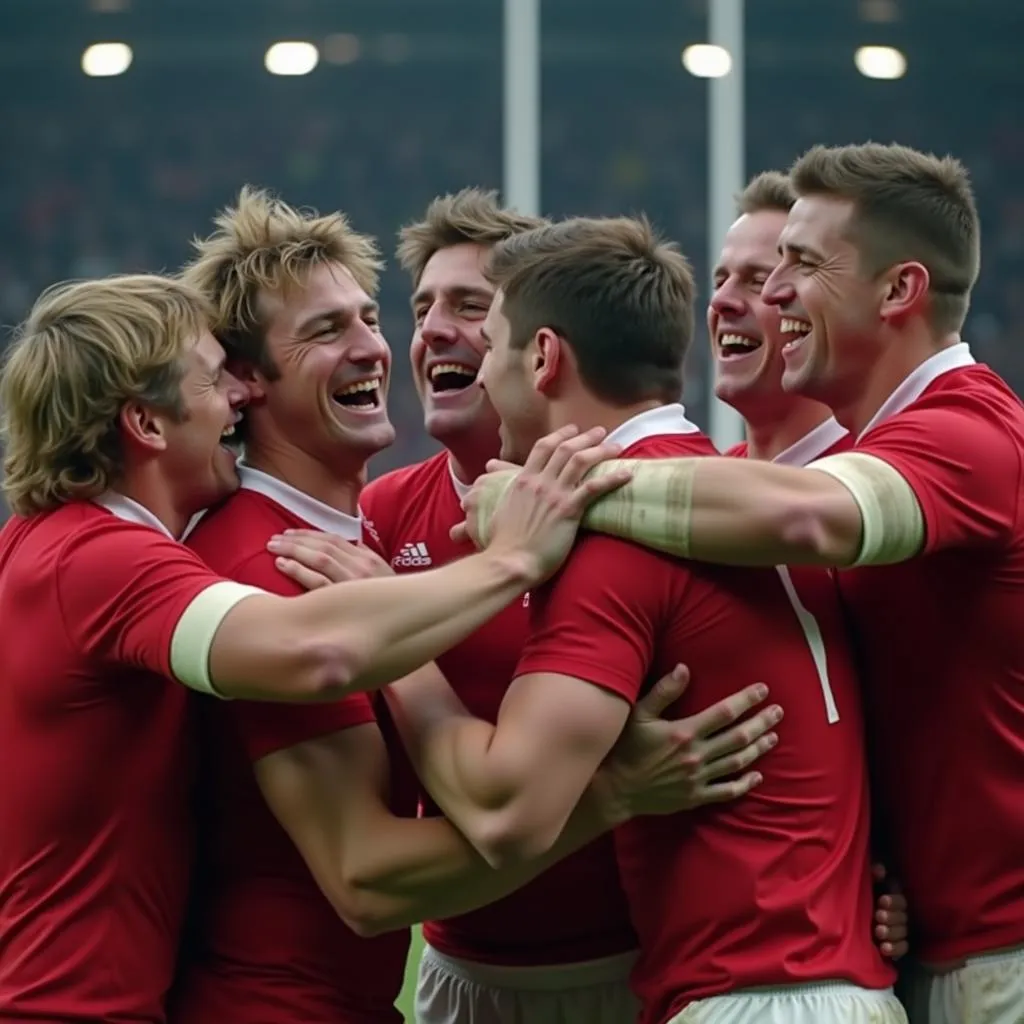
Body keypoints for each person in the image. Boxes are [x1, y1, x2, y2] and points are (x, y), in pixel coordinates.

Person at [171, 187, 782, 1024]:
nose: (399, 342)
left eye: (472, 312)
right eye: (414, 309)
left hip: (636, 965)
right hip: (387, 984)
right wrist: (613, 791)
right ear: (248, 381)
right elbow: (366, 876)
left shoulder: (669, 504)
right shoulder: (312, 556)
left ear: (537, 348)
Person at [465, 142, 1024, 1024]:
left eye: (800, 265)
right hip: (907, 957)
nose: (768, 297)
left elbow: (804, 516)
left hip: (994, 957)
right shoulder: (753, 488)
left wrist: (550, 497)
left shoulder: (968, 435)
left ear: (898, 291)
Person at [0, 271, 636, 1023]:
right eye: (215, 382)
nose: (237, 398)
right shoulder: (113, 560)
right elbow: (317, 660)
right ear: (145, 423)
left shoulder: (54, 547)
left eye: (370, 317)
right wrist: (514, 561)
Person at [372, 214, 904, 1024]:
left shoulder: (610, 534)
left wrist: (395, 649)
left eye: (498, 344)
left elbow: (505, 811)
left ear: (545, 358)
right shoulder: (735, 496)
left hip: (744, 999)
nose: (481, 379)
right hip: (842, 987)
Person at [711, 168, 907, 963]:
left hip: (836, 965)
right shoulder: (702, 484)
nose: (725, 300)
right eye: (723, 278)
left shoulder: (886, 496)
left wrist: (906, 878)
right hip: (689, 962)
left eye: (762, 280)